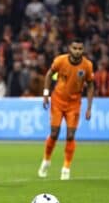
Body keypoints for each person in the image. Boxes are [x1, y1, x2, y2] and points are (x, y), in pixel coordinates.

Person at [37, 38, 94, 180]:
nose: (78, 51)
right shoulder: (60, 61)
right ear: (70, 48)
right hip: (58, 100)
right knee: (54, 133)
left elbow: (91, 85)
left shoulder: (87, 65)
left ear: (83, 50)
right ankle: (46, 160)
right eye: (75, 48)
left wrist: (89, 107)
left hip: (74, 103)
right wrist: (46, 94)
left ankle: (66, 168)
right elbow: (49, 74)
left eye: (80, 49)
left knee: (70, 135)